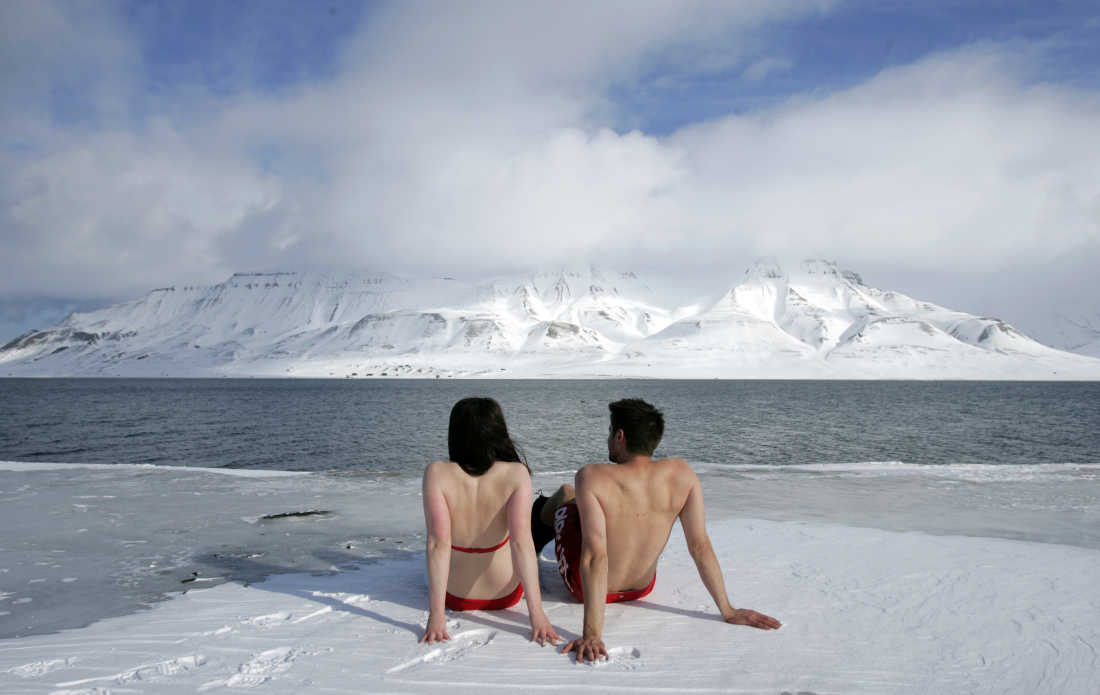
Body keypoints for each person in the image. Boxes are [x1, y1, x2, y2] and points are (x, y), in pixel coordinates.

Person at [533, 398, 781, 663]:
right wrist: (729, 611)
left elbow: (596, 556)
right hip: (642, 588)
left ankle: (533, 531)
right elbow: (700, 546)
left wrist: (592, 634)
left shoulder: (592, 476)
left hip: (584, 589)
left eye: (609, 432)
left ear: (620, 436)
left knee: (566, 494)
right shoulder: (682, 473)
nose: (608, 438)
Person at [420, 397, 560, 647]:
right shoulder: (515, 472)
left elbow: (437, 544)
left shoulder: (437, 473)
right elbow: (522, 543)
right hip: (505, 593)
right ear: (497, 431)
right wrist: (536, 615)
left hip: (456, 596)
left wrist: (437, 615)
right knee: (520, 541)